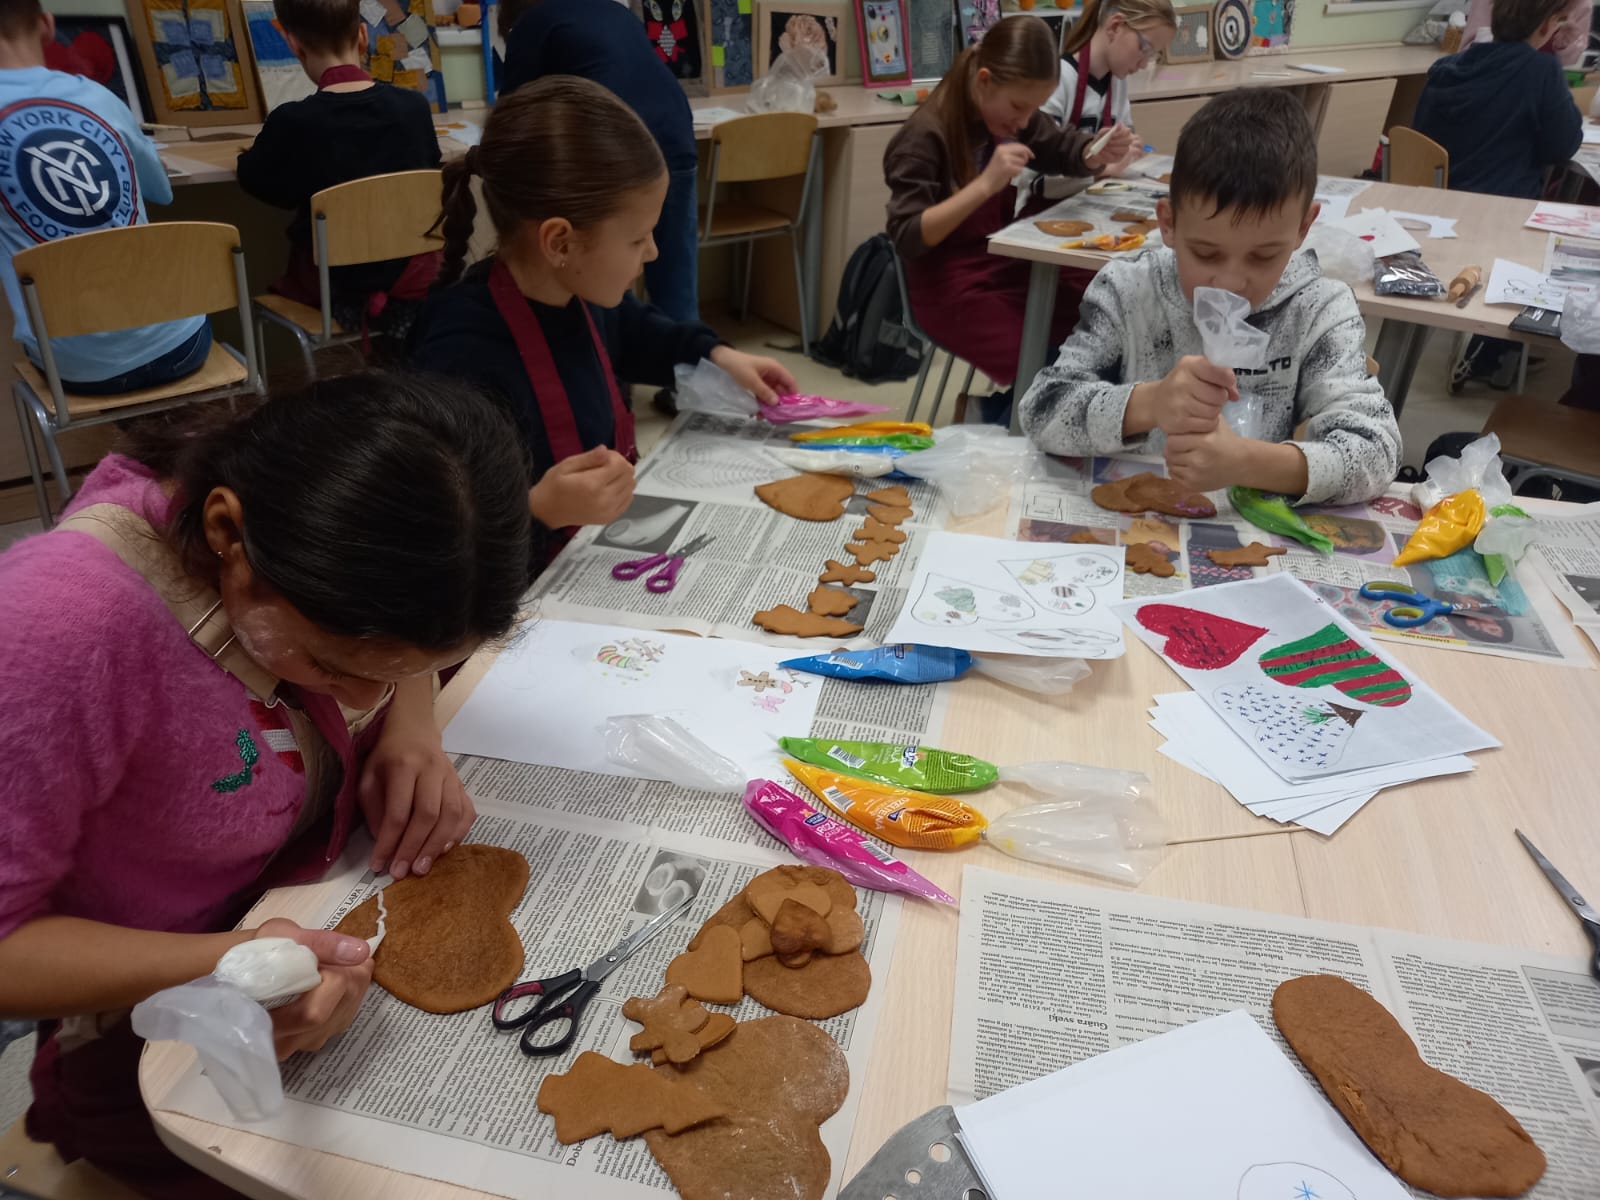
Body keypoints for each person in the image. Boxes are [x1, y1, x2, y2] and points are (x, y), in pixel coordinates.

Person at [0, 370, 532, 1197]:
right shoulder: (53, 634)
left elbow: (396, 657)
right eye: (331, 666)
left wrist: (412, 722)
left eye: (403, 670)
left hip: (299, 890)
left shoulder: (318, 518)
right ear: (226, 533)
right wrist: (241, 963)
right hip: (143, 1019)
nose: (366, 696)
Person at [410, 76, 793, 566]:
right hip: (512, 583)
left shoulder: (579, 294)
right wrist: (536, 509)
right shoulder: (459, 353)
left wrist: (717, 355)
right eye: (637, 239)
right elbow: (436, 532)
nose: (652, 252)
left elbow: (639, 331)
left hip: (594, 556)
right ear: (560, 242)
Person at [1019, 88, 1401, 508]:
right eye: (1205, 253)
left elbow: (1378, 452)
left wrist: (1247, 462)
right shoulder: (1129, 290)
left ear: (1302, 228)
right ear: (1168, 223)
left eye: (1263, 256)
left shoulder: (1318, 310)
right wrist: (1149, 403)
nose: (1231, 283)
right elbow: (1041, 410)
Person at [883, 14, 1132, 422]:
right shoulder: (923, 137)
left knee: (1096, 322)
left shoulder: (1006, 110)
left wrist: (1092, 153)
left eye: (1032, 109)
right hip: (946, 287)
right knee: (1046, 360)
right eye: (1019, 107)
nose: (1024, 122)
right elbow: (908, 235)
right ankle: (1011, 422)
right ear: (984, 81)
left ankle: (991, 412)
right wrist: (984, 185)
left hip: (996, 262)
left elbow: (1055, 144)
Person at [0, 0, 210, 394]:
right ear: (47, 25)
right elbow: (161, 192)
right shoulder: (100, 98)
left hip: (77, 369)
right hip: (180, 344)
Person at [235, 0, 442, 342]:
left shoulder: (293, 121)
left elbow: (260, 182)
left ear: (294, 45)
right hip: (413, 285)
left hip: (333, 291)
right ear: (362, 36)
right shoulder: (414, 108)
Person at [497, 0, 701, 331]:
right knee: (674, 281)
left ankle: (604, 359)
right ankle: (687, 359)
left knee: (598, 275)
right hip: (674, 138)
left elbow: (510, 119)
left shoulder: (533, 23)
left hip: (618, 157)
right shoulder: (614, 10)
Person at [1414, 0, 1583, 391]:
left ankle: (1492, 352)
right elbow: (1564, 144)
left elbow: (1422, 136)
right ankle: (1493, 352)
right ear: (1547, 26)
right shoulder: (1540, 70)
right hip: (1501, 217)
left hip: (1436, 211)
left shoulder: (1446, 68)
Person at [1022, 0, 1176, 202]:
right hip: (1043, 209)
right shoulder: (1058, 81)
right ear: (1115, 26)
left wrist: (1130, 148)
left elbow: (1125, 148)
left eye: (1153, 55)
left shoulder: (1117, 81)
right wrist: (1102, 169)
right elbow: (1034, 180)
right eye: (1145, 49)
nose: (1144, 64)